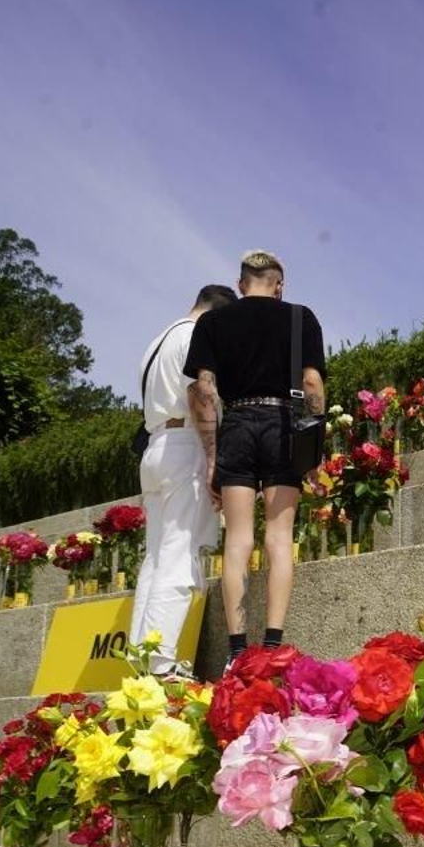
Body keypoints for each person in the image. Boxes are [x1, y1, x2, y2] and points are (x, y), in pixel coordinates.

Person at [186, 250, 326, 665]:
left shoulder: (212, 322)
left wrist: (212, 457)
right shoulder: (301, 318)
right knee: (279, 539)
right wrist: (313, 452)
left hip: (238, 425)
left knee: (238, 540)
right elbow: (312, 383)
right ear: (278, 284)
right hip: (284, 423)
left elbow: (204, 391)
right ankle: (273, 646)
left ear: (242, 282)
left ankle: (235, 652)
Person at [129, 284, 237, 674]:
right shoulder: (195, 336)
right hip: (184, 444)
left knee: (156, 557)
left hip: (156, 445)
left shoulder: (159, 339)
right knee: (178, 553)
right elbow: (200, 392)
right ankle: (161, 663)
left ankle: (142, 660)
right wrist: (212, 458)